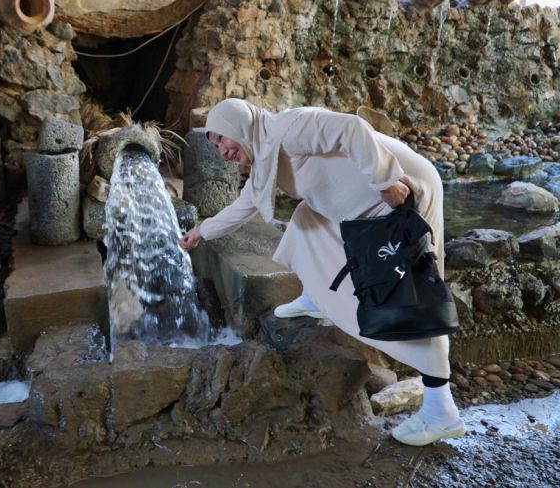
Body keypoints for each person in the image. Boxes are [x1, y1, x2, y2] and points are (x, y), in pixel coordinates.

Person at [178, 98, 465, 446]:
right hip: (363, 207)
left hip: (404, 191)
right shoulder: (265, 158)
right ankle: (317, 295)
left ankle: (441, 410)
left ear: (240, 125)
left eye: (222, 138)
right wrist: (200, 233)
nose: (221, 151)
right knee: (306, 219)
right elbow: (245, 205)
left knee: (414, 297)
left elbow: (351, 129)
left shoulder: (287, 129)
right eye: (214, 145)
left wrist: (385, 179)